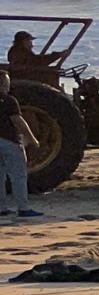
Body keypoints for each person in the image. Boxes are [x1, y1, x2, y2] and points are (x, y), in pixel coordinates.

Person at [0, 71, 45, 218]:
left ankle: (2, 207)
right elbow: (18, 122)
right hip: (9, 140)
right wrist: (32, 139)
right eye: (7, 83)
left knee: (0, 176)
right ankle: (23, 207)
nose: (8, 85)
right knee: (18, 175)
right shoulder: (8, 101)